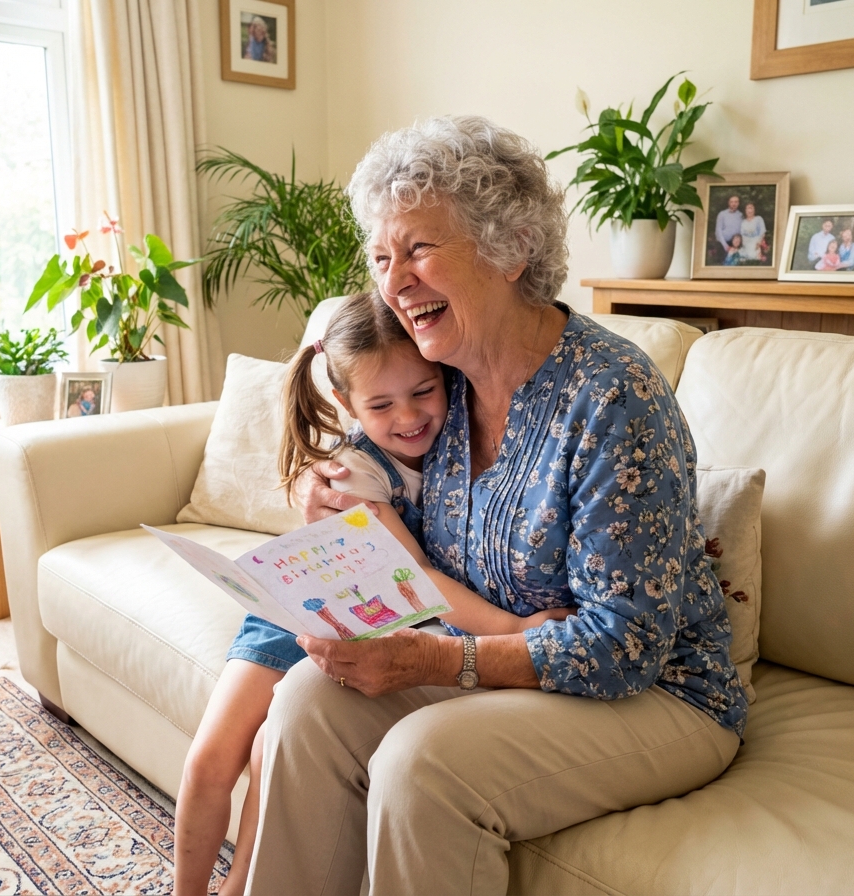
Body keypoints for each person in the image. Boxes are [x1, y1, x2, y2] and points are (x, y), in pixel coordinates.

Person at [244, 116, 747, 896]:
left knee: (423, 765)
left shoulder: (612, 395)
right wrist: (331, 492)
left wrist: (444, 657)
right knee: (308, 700)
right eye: (381, 258)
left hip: (658, 695)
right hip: (510, 668)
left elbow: (624, 647)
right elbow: (371, 473)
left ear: (510, 248)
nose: (394, 282)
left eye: (417, 249)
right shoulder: (439, 387)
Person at [172, 291, 571, 896]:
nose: (409, 417)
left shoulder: (462, 437)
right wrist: (513, 631)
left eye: (423, 392)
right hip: (297, 612)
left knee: (272, 757)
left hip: (365, 627)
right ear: (346, 404)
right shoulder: (354, 475)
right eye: (381, 404)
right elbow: (414, 579)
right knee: (212, 758)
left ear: (447, 379)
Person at [714, 194, 743, 258]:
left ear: (738, 203)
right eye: (731, 202)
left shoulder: (741, 215)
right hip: (723, 244)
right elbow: (718, 231)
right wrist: (725, 246)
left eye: (736, 202)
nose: (734, 204)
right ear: (728, 203)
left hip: (736, 245)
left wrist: (737, 245)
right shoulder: (722, 214)